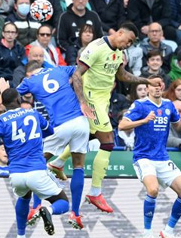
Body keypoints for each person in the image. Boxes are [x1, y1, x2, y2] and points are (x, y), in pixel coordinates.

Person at [49, 23, 164, 214]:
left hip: (104, 100)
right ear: (120, 33)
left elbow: (122, 75)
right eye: (129, 40)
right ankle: (95, 192)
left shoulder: (119, 53)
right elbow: (77, 75)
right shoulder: (95, 48)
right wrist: (82, 102)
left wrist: (147, 80)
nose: (128, 44)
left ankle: (57, 162)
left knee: (90, 137)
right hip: (91, 98)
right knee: (108, 142)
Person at [0, 88, 68, 238]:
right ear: (19, 100)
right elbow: (50, 131)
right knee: (63, 202)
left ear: (3, 104)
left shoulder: (1, 120)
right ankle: (48, 211)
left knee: (24, 197)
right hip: (37, 170)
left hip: (16, 174)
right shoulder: (33, 114)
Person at [10, 64, 89, 229]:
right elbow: (80, 68)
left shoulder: (30, 81)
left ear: (30, 73)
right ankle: (75, 214)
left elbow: (15, 94)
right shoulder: (60, 69)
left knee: (37, 162)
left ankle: (36, 206)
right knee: (78, 166)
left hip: (60, 125)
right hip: (81, 121)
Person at [118, 79, 181, 238]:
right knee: (153, 189)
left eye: (160, 85)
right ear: (147, 88)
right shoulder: (140, 105)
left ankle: (168, 231)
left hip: (162, 157)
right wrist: (143, 121)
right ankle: (147, 233)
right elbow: (122, 125)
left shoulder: (168, 105)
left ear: (163, 88)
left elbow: (177, 127)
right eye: (153, 86)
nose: (157, 88)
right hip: (143, 156)